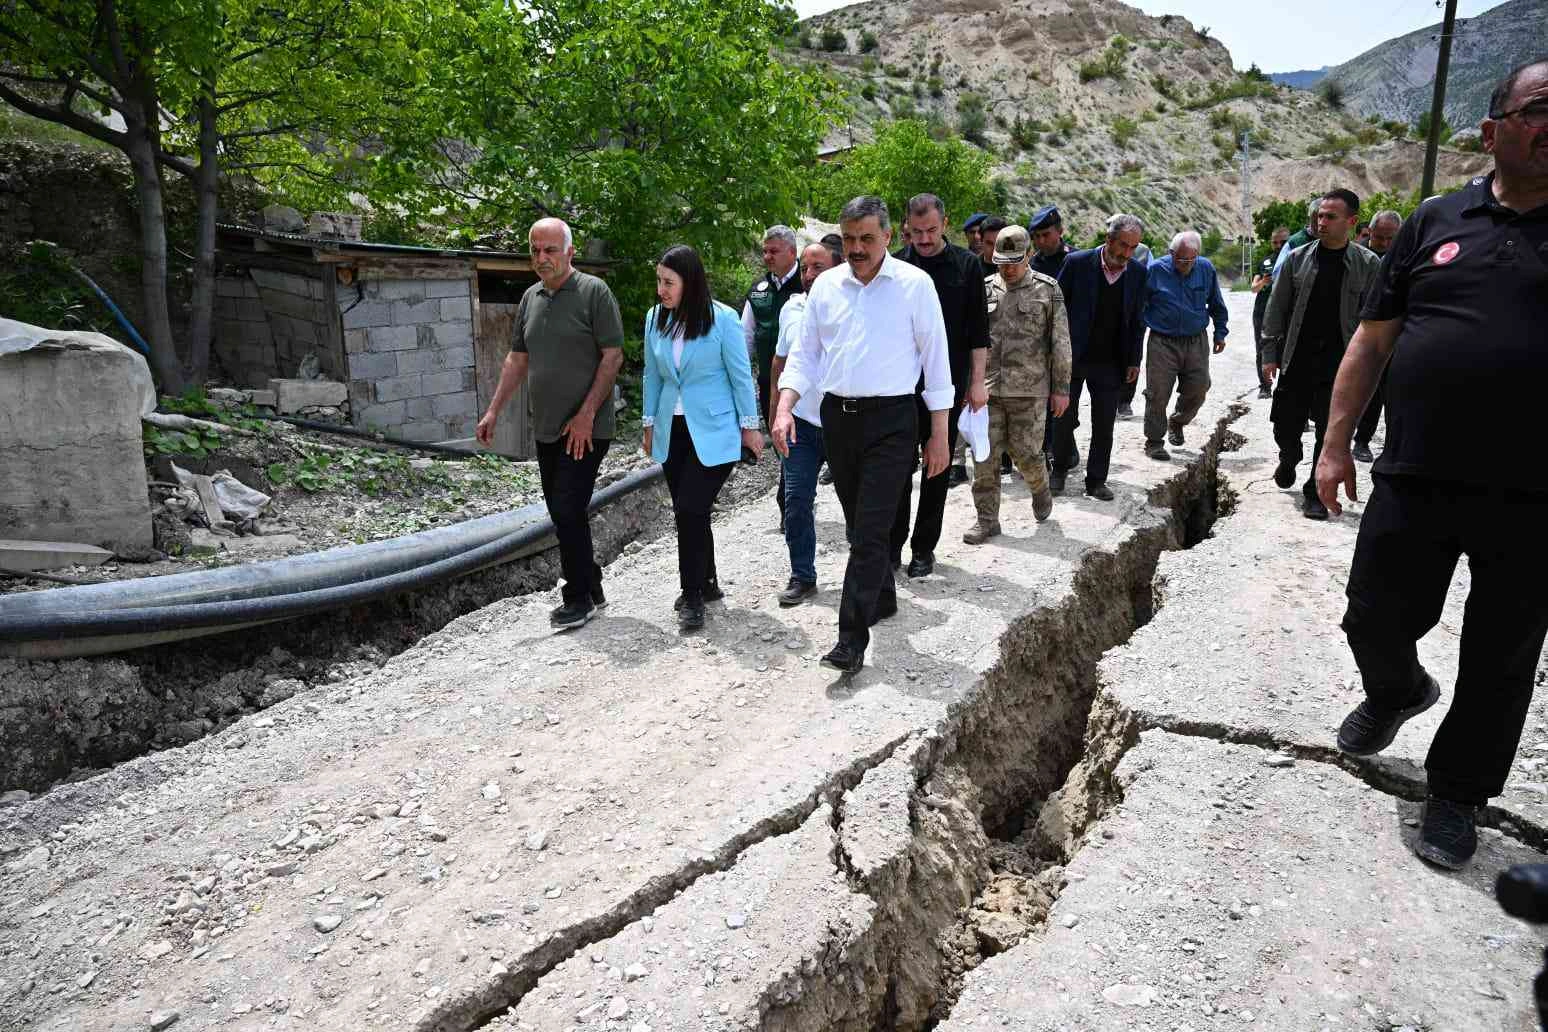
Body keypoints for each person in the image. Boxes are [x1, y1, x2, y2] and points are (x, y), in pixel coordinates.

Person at [1316, 59, 1548, 870]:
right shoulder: (1435, 219)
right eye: (1541, 108)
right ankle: (1396, 690)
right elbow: (1373, 338)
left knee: (1501, 655)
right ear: (1494, 131)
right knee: (1371, 613)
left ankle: (1456, 795)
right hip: (1416, 469)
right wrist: (1336, 442)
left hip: (1533, 493)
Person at [774, 196, 952, 674]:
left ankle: (850, 639)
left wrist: (939, 434)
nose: (856, 248)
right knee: (860, 525)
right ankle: (885, 596)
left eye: (866, 239)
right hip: (838, 420)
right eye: (849, 239)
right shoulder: (826, 288)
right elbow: (805, 355)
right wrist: (785, 406)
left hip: (894, 420)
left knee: (869, 531)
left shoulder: (916, 286)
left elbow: (936, 364)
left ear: (887, 238)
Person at [477, 218, 624, 629]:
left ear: (570, 252)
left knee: (565, 507)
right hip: (546, 427)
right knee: (565, 511)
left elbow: (612, 357)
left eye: (550, 250)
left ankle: (577, 598)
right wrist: (493, 410)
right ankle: (591, 584)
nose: (541, 258)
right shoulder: (530, 298)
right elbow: (516, 360)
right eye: (535, 250)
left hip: (586, 428)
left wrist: (586, 415)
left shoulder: (595, 293)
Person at [643, 245, 762, 631]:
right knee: (690, 512)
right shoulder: (654, 319)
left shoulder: (722, 319)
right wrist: (648, 424)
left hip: (715, 430)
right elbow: (653, 375)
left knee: (690, 510)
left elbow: (740, 376)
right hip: (672, 429)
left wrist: (750, 427)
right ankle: (707, 582)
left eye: (668, 282)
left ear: (689, 282)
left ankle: (691, 595)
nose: (661, 290)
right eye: (659, 281)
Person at [1260, 188, 1382, 520]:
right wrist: (1269, 354)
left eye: (1330, 216)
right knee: (1285, 424)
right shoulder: (1297, 259)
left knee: (1330, 429)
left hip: (1340, 365)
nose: (1321, 221)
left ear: (1352, 222)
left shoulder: (1368, 265)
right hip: (1297, 358)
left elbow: (1375, 320)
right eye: (1319, 215)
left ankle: (1314, 492)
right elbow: (1276, 308)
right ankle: (1288, 455)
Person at [890, 194, 990, 578]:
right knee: (899, 469)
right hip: (900, 386)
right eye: (917, 232)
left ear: (945, 223)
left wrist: (977, 383)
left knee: (936, 467)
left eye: (931, 230)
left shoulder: (967, 267)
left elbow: (979, 333)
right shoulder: (896, 265)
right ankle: (893, 545)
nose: (925, 238)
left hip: (946, 387)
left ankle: (923, 549)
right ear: (905, 229)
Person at [965, 226, 1072, 543]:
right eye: (1001, 262)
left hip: (1030, 390)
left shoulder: (1047, 289)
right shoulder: (983, 289)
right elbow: (970, 341)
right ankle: (987, 520)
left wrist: (1061, 389)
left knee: (1027, 455)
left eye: (1014, 261)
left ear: (1028, 256)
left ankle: (1040, 489)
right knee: (984, 457)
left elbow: (1061, 342)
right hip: (988, 391)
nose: (1007, 268)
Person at [1051, 213, 1147, 501]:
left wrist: (1134, 360)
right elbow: (1056, 309)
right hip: (1073, 356)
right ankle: (1059, 470)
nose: (1127, 253)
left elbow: (1137, 321)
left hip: (1111, 361)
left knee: (1104, 424)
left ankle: (1096, 480)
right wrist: (1054, 352)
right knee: (1062, 417)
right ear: (1108, 240)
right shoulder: (1077, 263)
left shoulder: (1138, 273)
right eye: (1123, 246)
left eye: (1133, 248)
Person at [769, 239, 840, 606]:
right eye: (805, 268)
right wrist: (775, 412)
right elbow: (780, 364)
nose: (809, 276)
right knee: (796, 501)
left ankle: (878, 570)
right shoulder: (791, 309)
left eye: (818, 268)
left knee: (860, 505)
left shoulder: (854, 309)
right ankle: (802, 574)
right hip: (800, 425)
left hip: (845, 426)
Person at [1140, 230, 1229, 460]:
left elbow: (1217, 303)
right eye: (1178, 258)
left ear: (1197, 255)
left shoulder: (1206, 269)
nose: (1183, 263)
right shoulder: (1155, 270)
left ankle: (1177, 421)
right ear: (1171, 253)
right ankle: (1154, 442)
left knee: (1199, 388)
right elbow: (1139, 305)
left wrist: (1220, 332)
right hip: (1162, 341)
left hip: (1195, 341)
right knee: (1157, 393)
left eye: (1189, 259)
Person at [741, 226, 802, 528]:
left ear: (792, 252)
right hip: (770, 383)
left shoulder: (809, 285)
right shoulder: (757, 292)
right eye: (764, 251)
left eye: (773, 251)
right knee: (782, 441)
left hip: (806, 384)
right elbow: (745, 340)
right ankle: (791, 503)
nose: (767, 257)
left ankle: (793, 500)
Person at [1351, 209, 1403, 462]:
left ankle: (1362, 441)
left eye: (1390, 238)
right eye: (1379, 237)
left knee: (1379, 391)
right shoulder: (1355, 255)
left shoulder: (1404, 257)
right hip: (1355, 331)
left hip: (1387, 333)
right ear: (1369, 232)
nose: (1384, 243)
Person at [1250, 226, 1290, 399]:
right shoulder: (1265, 262)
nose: (1278, 245)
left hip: (1285, 311)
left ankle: (1288, 388)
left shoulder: (1294, 258)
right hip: (1262, 311)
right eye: (1275, 242)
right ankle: (1265, 386)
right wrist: (1265, 282)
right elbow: (1253, 287)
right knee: (1262, 348)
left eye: (1282, 242)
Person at [1029, 205, 1074, 278]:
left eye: (1046, 235)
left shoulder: (1076, 259)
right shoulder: (1032, 264)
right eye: (1037, 236)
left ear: (1060, 231)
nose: (1041, 241)